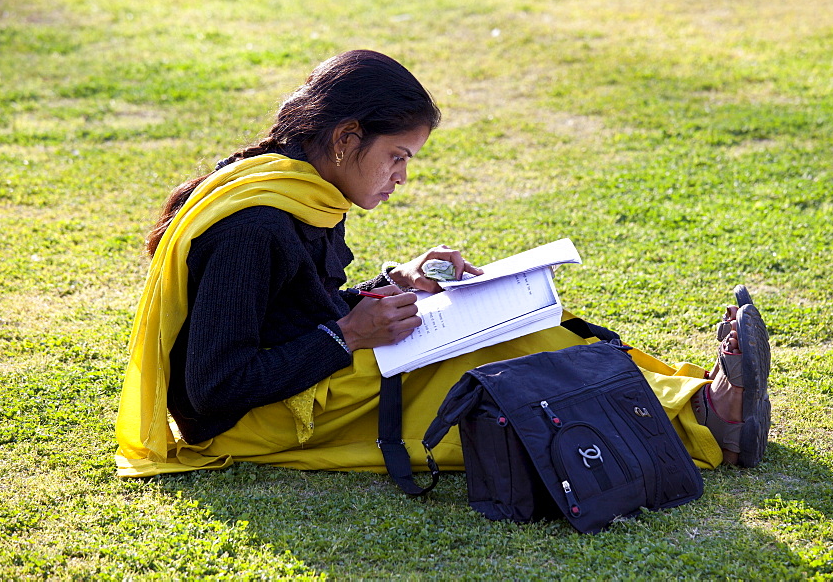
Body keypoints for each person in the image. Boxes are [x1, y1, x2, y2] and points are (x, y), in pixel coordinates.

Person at [114, 49, 770, 478]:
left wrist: (398, 284)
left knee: (523, 324)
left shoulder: (305, 189)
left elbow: (293, 309)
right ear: (346, 140)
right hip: (264, 420)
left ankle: (696, 401)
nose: (401, 177)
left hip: (313, 378)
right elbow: (212, 390)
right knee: (503, 363)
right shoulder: (256, 223)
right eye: (397, 156)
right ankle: (707, 421)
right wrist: (348, 335)